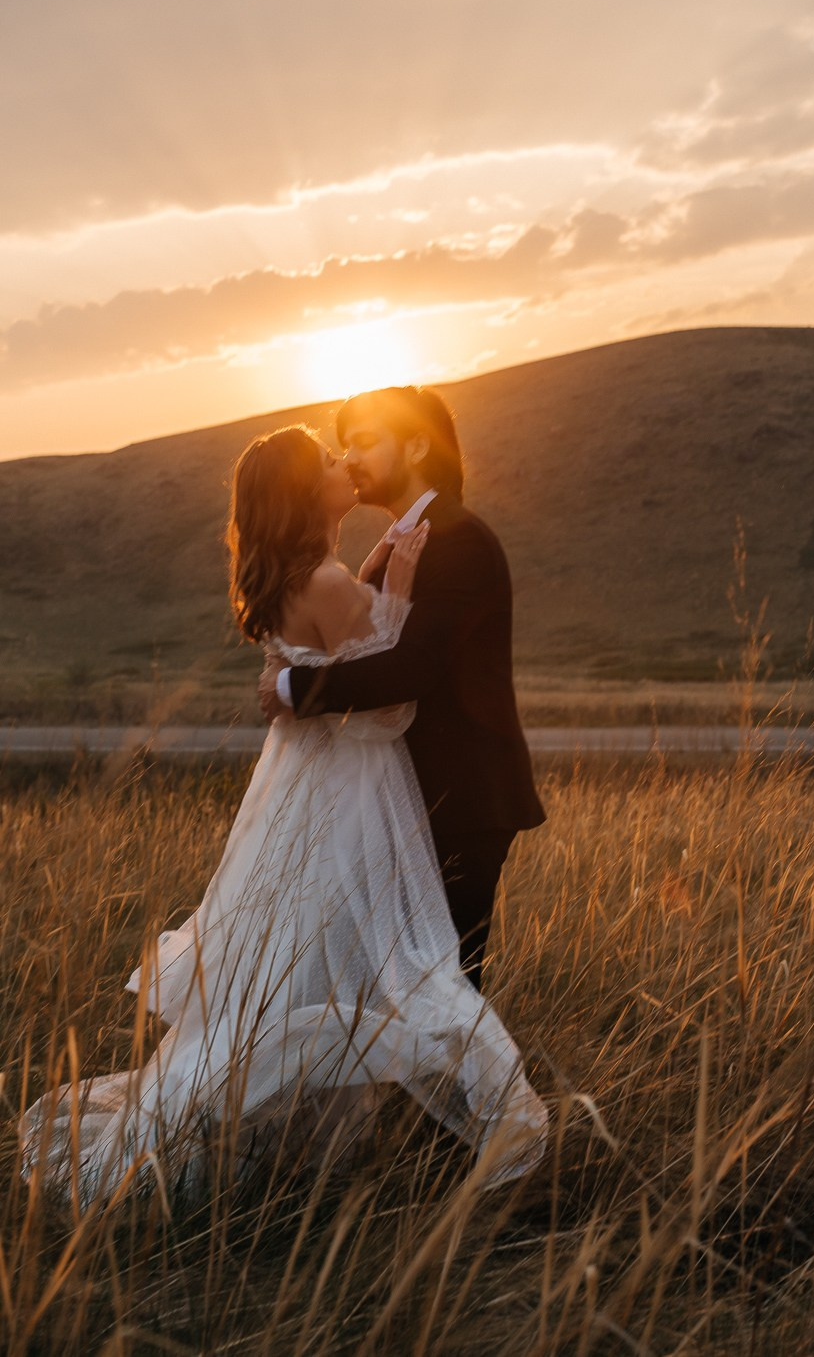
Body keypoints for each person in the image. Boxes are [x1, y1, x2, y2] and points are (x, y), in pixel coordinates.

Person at [20, 425, 547, 1206]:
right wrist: (394, 597)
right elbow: (391, 705)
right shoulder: (330, 580)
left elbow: (332, 668)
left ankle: (279, 1122)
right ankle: (440, 1137)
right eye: (330, 462)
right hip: (356, 785)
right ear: (305, 494)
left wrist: (356, 618)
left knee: (308, 961)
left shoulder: (302, 576)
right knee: (407, 964)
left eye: (352, 449)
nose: (346, 465)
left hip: (306, 790)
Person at [258, 386, 545, 993]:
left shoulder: (458, 541)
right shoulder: (402, 546)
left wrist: (289, 684)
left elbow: (410, 669)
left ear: (416, 444)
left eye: (364, 442)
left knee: (446, 986)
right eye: (345, 447)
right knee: (401, 986)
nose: (351, 458)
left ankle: (469, 1091)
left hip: (460, 802)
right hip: (408, 802)